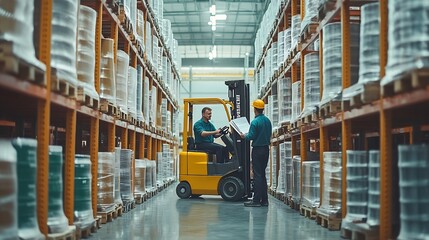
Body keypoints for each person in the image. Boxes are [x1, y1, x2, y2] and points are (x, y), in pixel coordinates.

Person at [240, 99, 272, 207]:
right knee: (262, 174)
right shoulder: (267, 121)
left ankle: (256, 200)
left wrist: (244, 136)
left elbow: (251, 136)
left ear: (254, 109)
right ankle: (264, 200)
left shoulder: (255, 122)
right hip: (266, 149)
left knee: (257, 175)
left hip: (257, 150)